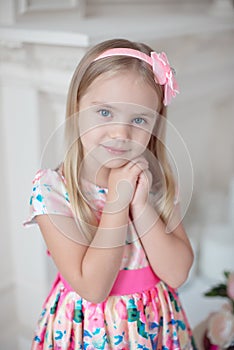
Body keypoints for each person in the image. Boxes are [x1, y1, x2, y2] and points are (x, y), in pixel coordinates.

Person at [24, 38, 196, 349]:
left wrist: (141, 205)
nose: (121, 133)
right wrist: (118, 203)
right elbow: (93, 287)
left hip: (155, 324)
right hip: (90, 330)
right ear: (76, 109)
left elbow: (177, 272)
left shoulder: (156, 184)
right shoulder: (52, 191)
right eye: (105, 112)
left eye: (139, 120)